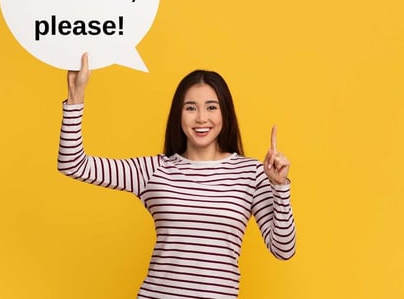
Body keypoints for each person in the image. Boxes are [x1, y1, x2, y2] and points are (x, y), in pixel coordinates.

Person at [57, 53, 296, 298]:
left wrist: (279, 187)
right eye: (190, 108)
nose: (201, 118)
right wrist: (76, 96)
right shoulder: (154, 170)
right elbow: (73, 163)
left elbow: (283, 249)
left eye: (211, 107)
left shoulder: (251, 174)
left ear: (225, 113)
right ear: (178, 115)